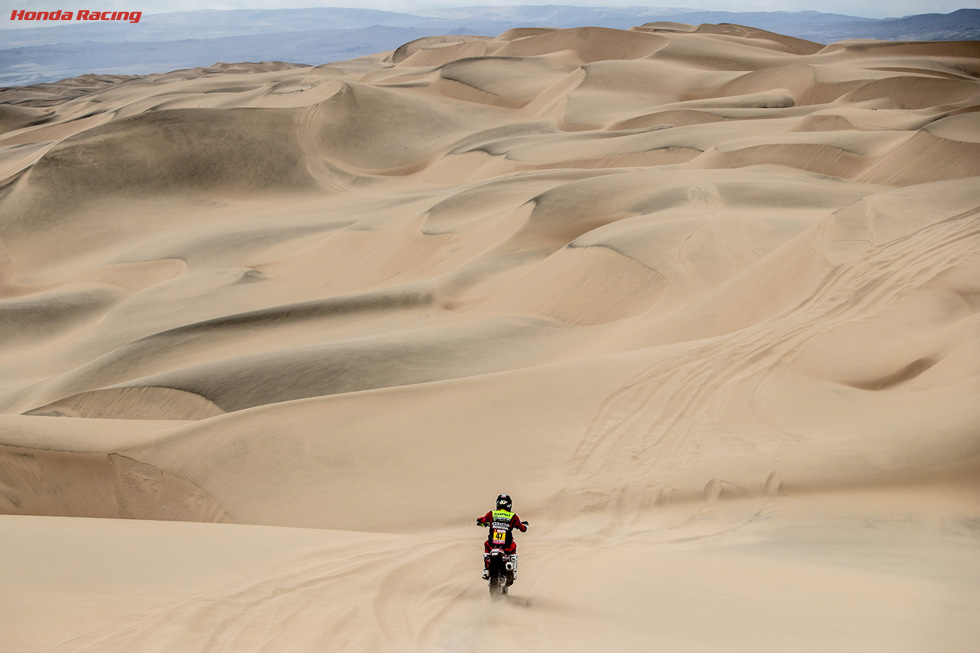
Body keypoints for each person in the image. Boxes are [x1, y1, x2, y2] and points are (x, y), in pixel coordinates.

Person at [476, 493, 528, 580]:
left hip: (492, 544)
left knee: (486, 545)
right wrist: (524, 526)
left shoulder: (491, 514)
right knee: (514, 546)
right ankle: (514, 571)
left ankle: (486, 569)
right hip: (507, 545)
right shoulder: (513, 516)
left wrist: (480, 522)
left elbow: (483, 520)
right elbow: (522, 528)